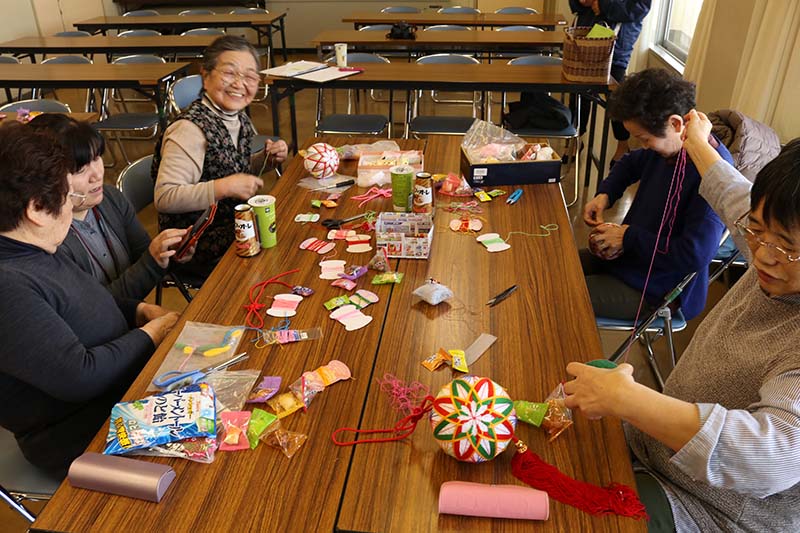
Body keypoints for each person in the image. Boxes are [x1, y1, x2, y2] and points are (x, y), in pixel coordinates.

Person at [565, 114, 800, 531]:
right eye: (758, 231)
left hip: (709, 510)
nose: (763, 255)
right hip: (656, 454)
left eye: (788, 249)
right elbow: (729, 191)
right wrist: (696, 141)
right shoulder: (775, 238)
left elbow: (771, 455)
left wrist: (629, 400)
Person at [0, 123, 179, 470]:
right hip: (80, 433)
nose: (72, 207)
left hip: (121, 390)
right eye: (68, 196)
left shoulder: (34, 247)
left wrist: (139, 312)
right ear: (36, 209)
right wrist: (150, 334)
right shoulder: (9, 285)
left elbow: (88, 300)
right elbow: (80, 376)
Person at [581, 68, 732, 321]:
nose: (643, 146)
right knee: (556, 270)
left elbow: (694, 254)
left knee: (557, 295)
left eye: (644, 138)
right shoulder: (668, 146)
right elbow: (631, 162)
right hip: (631, 260)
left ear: (675, 123)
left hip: (659, 289)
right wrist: (605, 195)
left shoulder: (713, 175)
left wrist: (628, 237)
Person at [152, 35, 288, 278]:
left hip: (234, 226)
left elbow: (228, 167)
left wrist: (266, 160)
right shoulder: (189, 130)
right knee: (285, 252)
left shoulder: (238, 117)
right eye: (229, 73)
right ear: (206, 75)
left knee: (290, 231)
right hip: (194, 244)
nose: (239, 83)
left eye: (249, 76)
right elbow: (165, 196)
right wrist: (224, 187)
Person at [28, 114, 190, 300]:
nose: (96, 174)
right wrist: (152, 261)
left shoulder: (110, 198)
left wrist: (173, 254)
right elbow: (95, 311)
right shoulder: (52, 238)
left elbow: (144, 255)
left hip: (135, 314)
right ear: (49, 177)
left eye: (96, 158)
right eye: (81, 170)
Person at [569, 0, 651, 164]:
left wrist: (603, 4)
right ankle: (576, 138)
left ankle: (622, 144)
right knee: (579, 89)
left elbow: (639, 8)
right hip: (585, 35)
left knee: (617, 96)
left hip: (617, 42)